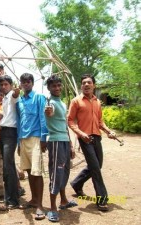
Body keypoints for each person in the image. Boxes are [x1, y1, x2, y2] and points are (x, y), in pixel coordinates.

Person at [67, 74, 116, 212]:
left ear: (94, 85)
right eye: (83, 83)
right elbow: (70, 120)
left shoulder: (97, 102)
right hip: (85, 138)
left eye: (89, 82)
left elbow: (100, 121)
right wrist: (81, 133)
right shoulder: (76, 101)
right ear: (81, 86)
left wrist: (109, 131)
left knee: (97, 165)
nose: (86, 85)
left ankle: (76, 183)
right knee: (95, 168)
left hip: (97, 137)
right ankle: (102, 199)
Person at [44, 75, 77, 222]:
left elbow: (65, 125)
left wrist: (70, 145)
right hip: (56, 141)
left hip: (64, 140)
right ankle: (52, 208)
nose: (57, 88)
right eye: (53, 86)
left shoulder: (62, 103)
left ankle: (63, 200)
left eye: (59, 85)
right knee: (56, 173)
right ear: (49, 88)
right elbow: (48, 112)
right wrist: (48, 111)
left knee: (64, 171)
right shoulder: (50, 103)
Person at [16, 73, 48, 220]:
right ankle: (34, 199)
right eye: (24, 82)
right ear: (21, 84)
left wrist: (43, 138)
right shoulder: (19, 101)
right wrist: (18, 142)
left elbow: (42, 118)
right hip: (23, 139)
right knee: (28, 171)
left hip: (35, 138)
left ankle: (40, 205)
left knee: (37, 172)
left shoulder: (39, 98)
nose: (26, 84)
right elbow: (18, 121)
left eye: (29, 81)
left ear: (32, 83)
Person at [0, 75, 21, 211]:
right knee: (7, 165)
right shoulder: (4, 98)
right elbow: (6, 115)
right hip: (3, 131)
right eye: (2, 85)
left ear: (11, 85)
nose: (4, 87)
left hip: (10, 133)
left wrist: (17, 91)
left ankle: (13, 200)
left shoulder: (12, 95)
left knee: (8, 165)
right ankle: (10, 197)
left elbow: (16, 94)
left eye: (6, 84)